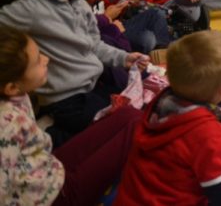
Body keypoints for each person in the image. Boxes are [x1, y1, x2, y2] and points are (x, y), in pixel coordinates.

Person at [0, 0, 148, 147]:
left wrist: (123, 58)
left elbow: (94, 44)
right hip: (66, 101)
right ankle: (50, 135)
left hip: (92, 85)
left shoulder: (80, 4)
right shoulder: (32, 9)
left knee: (130, 109)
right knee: (115, 130)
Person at [116, 30, 221, 206]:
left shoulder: (162, 100)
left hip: (139, 195)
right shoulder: (207, 134)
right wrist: (213, 148)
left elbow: (181, 149)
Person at [0, 26, 142, 206]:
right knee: (135, 128)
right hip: (53, 195)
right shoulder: (7, 125)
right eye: (37, 61)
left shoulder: (18, 94)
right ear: (12, 87)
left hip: (47, 164)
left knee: (128, 114)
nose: (46, 59)